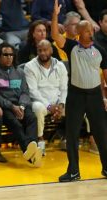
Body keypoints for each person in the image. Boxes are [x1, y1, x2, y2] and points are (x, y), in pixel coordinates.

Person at [51, 0, 107, 182]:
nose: (91, 34)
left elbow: (106, 76)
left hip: (95, 96)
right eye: (87, 31)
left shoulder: (100, 51)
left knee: (101, 133)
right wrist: (55, 15)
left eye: (91, 31)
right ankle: (73, 171)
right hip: (76, 95)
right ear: (78, 33)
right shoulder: (71, 47)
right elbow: (54, 34)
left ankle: (106, 168)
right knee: (72, 134)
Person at [0, 42, 42, 167]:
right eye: (5, 55)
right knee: (16, 124)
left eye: (11, 55)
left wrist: (21, 106)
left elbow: (25, 92)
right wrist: (12, 107)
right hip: (5, 107)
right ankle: (29, 153)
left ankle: (33, 150)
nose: (9, 57)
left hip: (20, 105)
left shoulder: (19, 72)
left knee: (32, 118)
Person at [24, 39, 68, 155]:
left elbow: (64, 88)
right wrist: (49, 106)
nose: (43, 53)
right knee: (38, 108)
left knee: (74, 105)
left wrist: (61, 104)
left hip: (57, 102)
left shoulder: (60, 66)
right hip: (40, 102)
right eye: (40, 50)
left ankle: (66, 138)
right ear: (37, 51)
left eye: (45, 50)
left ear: (51, 50)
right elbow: (33, 91)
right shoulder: (29, 67)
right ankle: (40, 140)